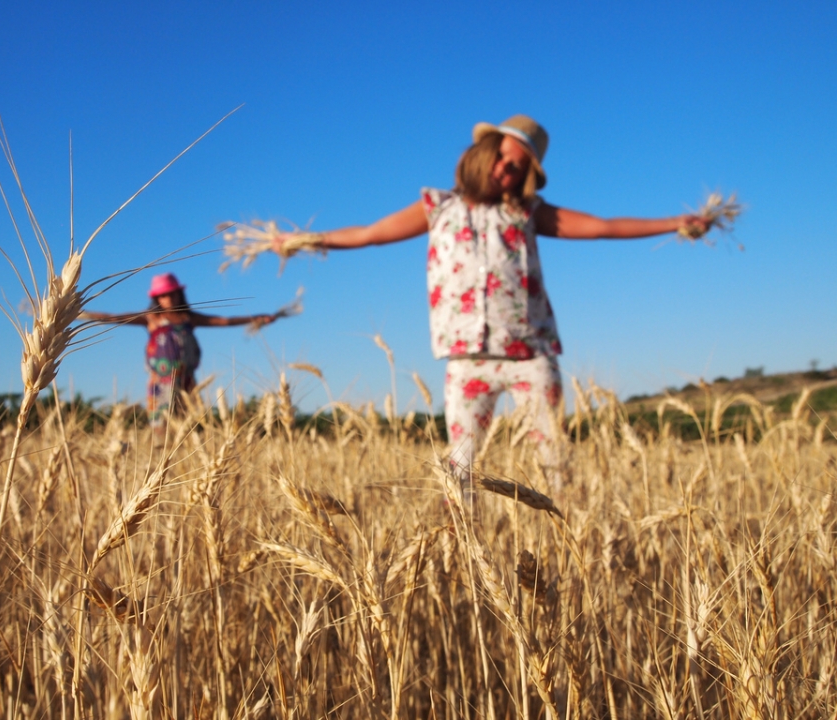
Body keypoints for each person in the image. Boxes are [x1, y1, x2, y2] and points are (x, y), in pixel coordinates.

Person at [270, 115, 713, 491]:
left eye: (518, 167)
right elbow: (368, 234)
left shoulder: (528, 212)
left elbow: (601, 226)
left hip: (530, 356)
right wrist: (304, 240)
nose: (506, 169)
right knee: (458, 471)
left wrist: (675, 222)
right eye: (502, 157)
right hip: (466, 361)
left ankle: (566, 546)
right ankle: (462, 557)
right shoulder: (435, 207)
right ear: (482, 152)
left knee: (555, 463)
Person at [82, 272, 279, 427]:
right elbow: (114, 317)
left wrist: (256, 318)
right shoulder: (152, 318)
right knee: (162, 422)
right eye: (164, 295)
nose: (169, 298)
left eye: (173, 293)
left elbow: (224, 321)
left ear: (180, 294)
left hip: (187, 381)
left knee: (188, 422)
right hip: (162, 382)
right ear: (157, 298)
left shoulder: (189, 318)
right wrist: (79, 314)